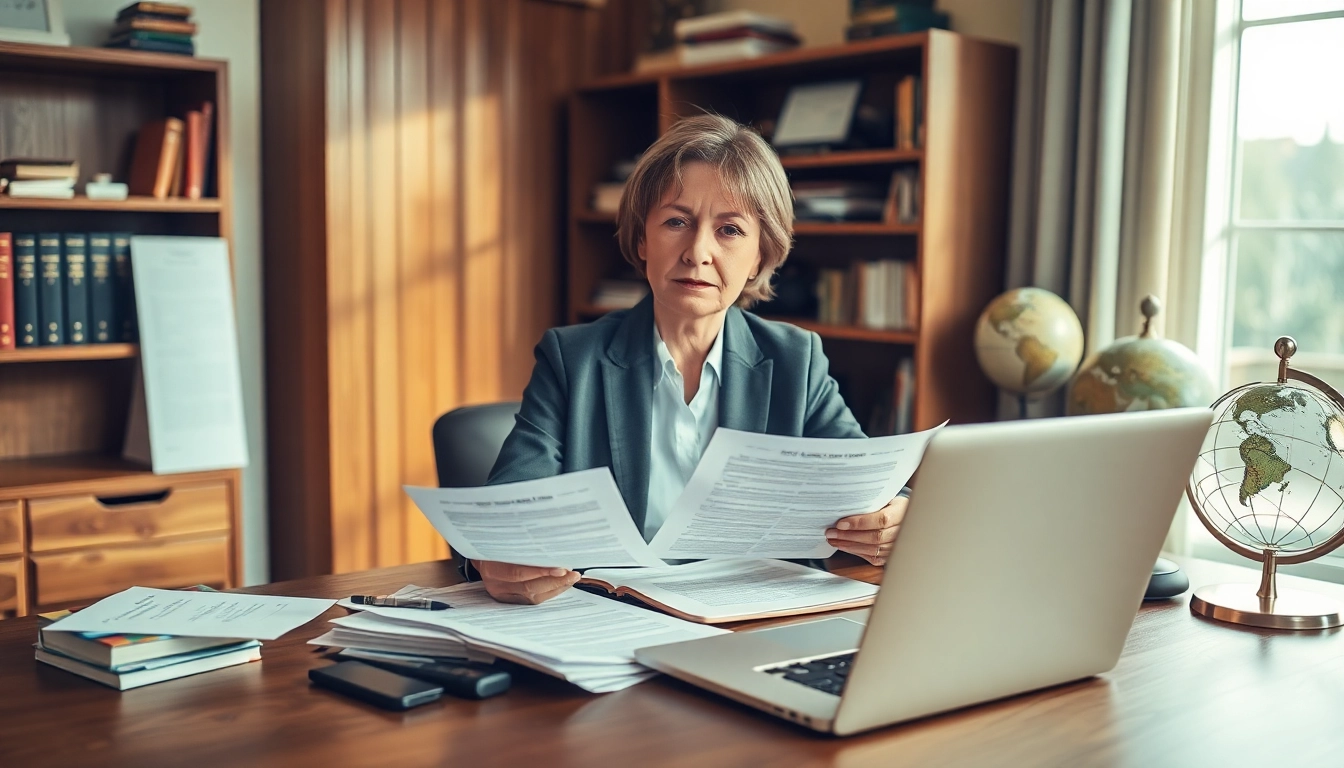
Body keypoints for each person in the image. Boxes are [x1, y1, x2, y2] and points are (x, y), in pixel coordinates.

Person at [476, 115, 907, 604]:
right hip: (611, 616)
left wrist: (891, 520)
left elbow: (869, 489)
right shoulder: (573, 360)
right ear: (642, 239)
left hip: (755, 617)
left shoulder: (795, 361)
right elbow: (509, 506)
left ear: (760, 259)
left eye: (729, 230)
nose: (698, 251)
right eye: (676, 222)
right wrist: (498, 555)